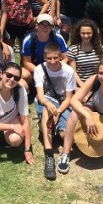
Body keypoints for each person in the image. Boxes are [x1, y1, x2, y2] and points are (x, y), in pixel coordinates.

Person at [34, 42, 77, 180]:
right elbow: (40, 95)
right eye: (49, 58)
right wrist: (49, 105)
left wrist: (58, 112)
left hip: (63, 102)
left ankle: (53, 129)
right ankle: (49, 155)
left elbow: (69, 97)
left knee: (66, 136)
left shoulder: (68, 71)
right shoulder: (39, 69)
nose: (52, 61)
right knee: (48, 110)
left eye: (55, 58)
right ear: (44, 58)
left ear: (60, 57)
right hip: (47, 100)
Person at [21, 14, 69, 82]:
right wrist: (42, 71)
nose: (45, 27)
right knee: (24, 75)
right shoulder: (29, 40)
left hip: (54, 65)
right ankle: (31, 88)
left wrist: (54, 69)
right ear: (36, 25)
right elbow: (26, 63)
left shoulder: (58, 38)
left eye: (48, 25)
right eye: (42, 24)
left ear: (52, 27)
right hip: (35, 68)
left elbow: (66, 58)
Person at [67, 19, 103, 87]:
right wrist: (83, 86)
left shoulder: (99, 48)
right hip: (80, 85)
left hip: (97, 84)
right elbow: (73, 72)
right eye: (83, 33)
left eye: (88, 33)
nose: (86, 36)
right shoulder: (73, 50)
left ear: (93, 33)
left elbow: (102, 68)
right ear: (79, 33)